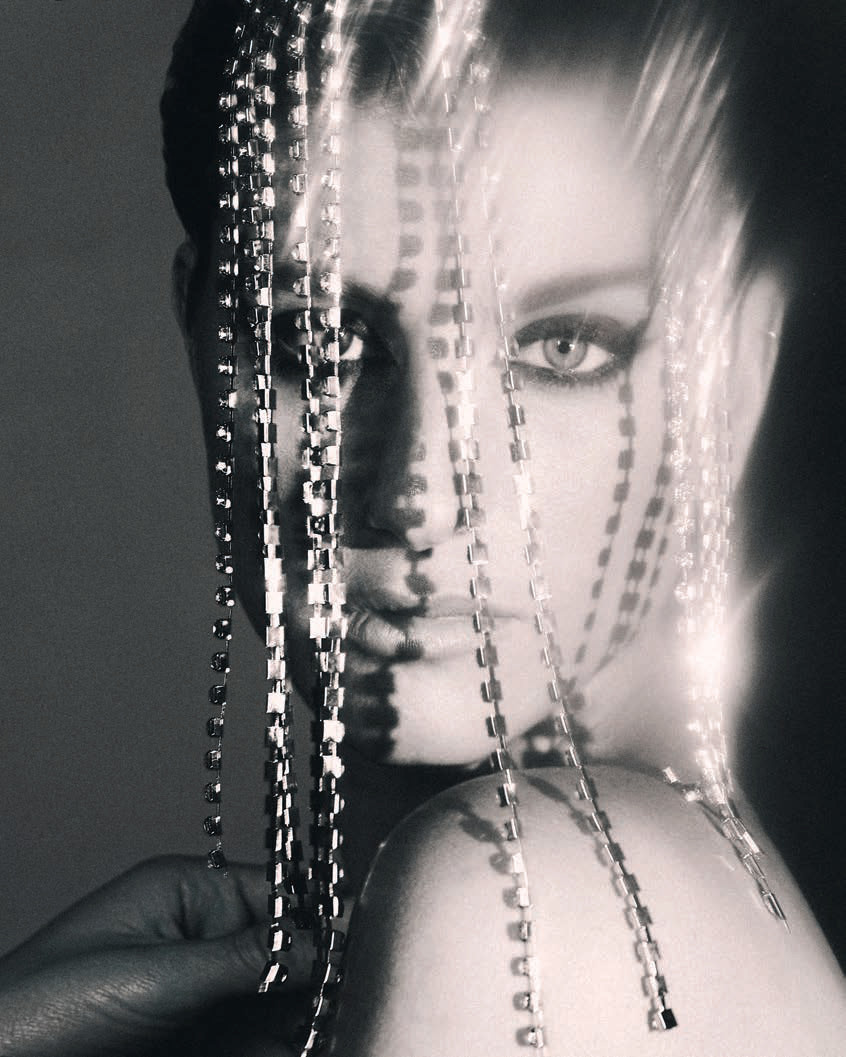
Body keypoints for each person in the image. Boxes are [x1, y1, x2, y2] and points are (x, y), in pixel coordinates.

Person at [1, 1, 844, 1054]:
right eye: (321, 342)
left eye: (565, 347)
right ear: (200, 337)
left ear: (738, 374)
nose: (418, 494)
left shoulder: (525, 905)